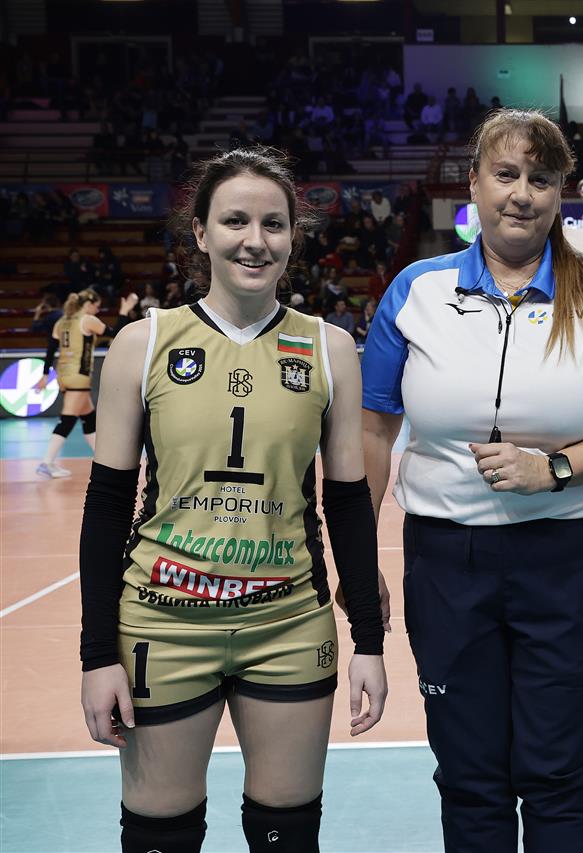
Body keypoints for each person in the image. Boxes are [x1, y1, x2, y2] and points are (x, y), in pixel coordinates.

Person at [361, 108, 583, 853]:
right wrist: (358, 561)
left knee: (558, 774)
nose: (522, 193)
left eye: (541, 178)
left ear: (560, 194)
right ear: (474, 183)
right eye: (506, 174)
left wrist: (554, 468)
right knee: (470, 776)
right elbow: (372, 429)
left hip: (564, 561)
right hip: (446, 562)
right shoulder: (417, 290)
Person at [77, 147, 388, 852]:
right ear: (200, 232)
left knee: (287, 835)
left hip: (288, 624)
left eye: (273, 224)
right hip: (162, 623)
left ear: (293, 236)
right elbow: (106, 510)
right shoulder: (143, 343)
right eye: (235, 221)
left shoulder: (330, 347)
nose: (256, 240)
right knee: (161, 834)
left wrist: (368, 641)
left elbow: (346, 503)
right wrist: (97, 655)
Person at [33, 288, 136, 478]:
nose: (97, 310)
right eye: (97, 306)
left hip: (63, 374)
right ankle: (46, 463)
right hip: (78, 375)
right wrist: (124, 311)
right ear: (88, 304)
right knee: (68, 419)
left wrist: (45, 374)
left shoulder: (62, 321)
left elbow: (50, 349)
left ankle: (105, 460)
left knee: (89, 418)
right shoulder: (87, 320)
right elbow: (116, 333)